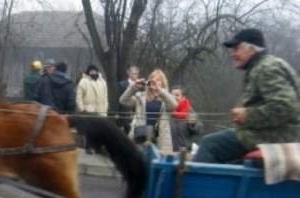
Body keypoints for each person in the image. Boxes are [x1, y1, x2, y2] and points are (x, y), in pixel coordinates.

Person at [194, 28, 300, 163]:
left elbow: (285, 107)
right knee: (228, 161)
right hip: (270, 135)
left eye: (236, 48)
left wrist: (248, 115)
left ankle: (195, 184)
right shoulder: (262, 67)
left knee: (211, 144)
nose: (232, 54)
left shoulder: (267, 68)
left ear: (250, 49)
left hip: (275, 137)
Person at [119, 68, 177, 152]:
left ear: (163, 82)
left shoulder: (167, 98)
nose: (155, 82)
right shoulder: (140, 97)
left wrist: (160, 91)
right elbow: (123, 100)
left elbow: (174, 106)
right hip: (140, 136)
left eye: (158, 80)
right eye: (153, 79)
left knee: (157, 163)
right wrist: (133, 87)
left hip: (160, 138)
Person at [170, 85, 203, 152]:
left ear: (183, 98)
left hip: (184, 152)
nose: (174, 97)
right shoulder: (166, 111)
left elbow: (199, 130)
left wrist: (193, 125)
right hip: (167, 151)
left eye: (177, 95)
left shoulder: (190, 112)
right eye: (172, 95)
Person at [117, 66, 141, 134]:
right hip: (125, 115)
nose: (135, 75)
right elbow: (119, 100)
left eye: (136, 74)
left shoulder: (141, 85)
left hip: (137, 115)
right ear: (129, 73)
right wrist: (119, 116)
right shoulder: (122, 84)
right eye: (133, 73)